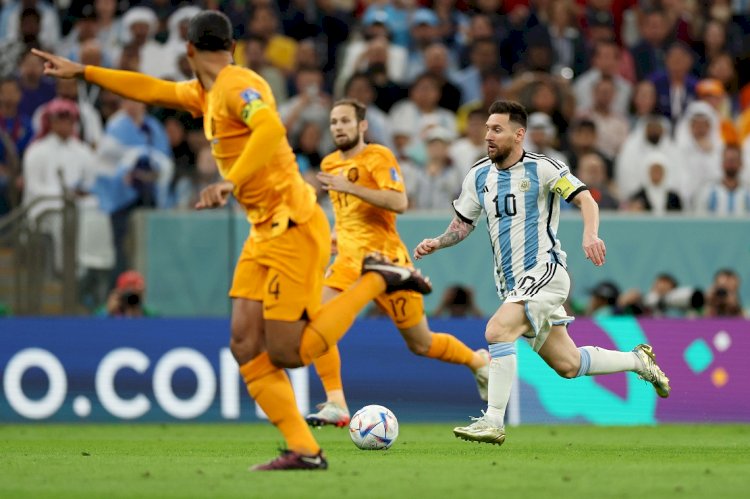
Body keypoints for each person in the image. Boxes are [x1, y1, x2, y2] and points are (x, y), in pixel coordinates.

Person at [32, 10, 431, 471]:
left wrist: (229, 181)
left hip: (293, 225)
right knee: (244, 344)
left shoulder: (236, 84)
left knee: (288, 352)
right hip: (263, 232)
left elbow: (269, 128)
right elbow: (151, 88)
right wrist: (83, 71)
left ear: (188, 50)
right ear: (232, 45)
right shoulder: (206, 92)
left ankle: (378, 279)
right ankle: (304, 450)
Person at [413, 100, 671, 446]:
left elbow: (586, 200)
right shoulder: (478, 175)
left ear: (519, 135)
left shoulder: (544, 169)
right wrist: (439, 242)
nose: (488, 135)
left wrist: (590, 234)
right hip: (514, 285)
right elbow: (463, 224)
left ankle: (492, 421)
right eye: (487, 128)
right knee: (568, 364)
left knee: (497, 330)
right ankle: (637, 360)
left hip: (545, 272)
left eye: (497, 129)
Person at [304, 99, 489, 428]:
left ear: (362, 125)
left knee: (421, 343)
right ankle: (335, 403)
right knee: (318, 322)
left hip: (388, 264)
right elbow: (347, 216)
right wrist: (335, 238)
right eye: (334, 122)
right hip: (349, 262)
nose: (338, 127)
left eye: (345, 121)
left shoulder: (378, 156)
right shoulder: (330, 162)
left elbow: (399, 202)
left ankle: (477, 361)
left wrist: (351, 186)